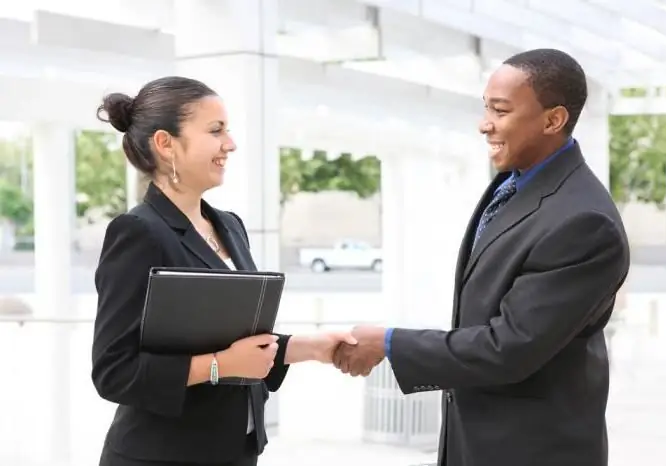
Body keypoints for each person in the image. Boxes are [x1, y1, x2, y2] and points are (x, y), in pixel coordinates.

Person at [333, 49, 630, 466]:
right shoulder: (515, 182)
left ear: (553, 120)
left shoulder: (584, 222)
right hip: (478, 444)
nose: (484, 123)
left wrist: (388, 342)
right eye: (485, 107)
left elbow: (508, 347)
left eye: (500, 110)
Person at [91, 76, 356, 466]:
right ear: (166, 144)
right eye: (216, 131)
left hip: (234, 452)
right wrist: (220, 366)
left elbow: (238, 342)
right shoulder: (138, 233)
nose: (229, 144)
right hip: (162, 457)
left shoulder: (229, 225)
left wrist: (313, 348)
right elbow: (114, 371)